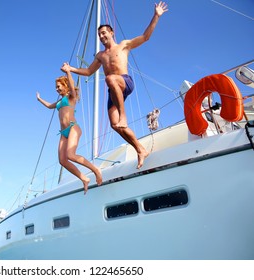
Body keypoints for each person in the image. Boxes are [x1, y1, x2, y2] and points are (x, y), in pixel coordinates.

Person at [63, 1, 168, 169]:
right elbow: (89, 71)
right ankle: (140, 149)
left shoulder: (123, 45)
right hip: (113, 90)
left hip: (124, 82)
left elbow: (145, 37)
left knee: (110, 79)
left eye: (104, 33)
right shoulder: (100, 55)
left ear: (111, 32)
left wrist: (156, 15)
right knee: (114, 125)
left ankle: (123, 116)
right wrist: (71, 69)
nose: (102, 36)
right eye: (100, 35)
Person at [36, 64, 102, 194]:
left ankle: (96, 170)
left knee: (71, 155)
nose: (56, 89)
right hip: (63, 133)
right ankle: (84, 178)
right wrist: (39, 99)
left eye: (58, 86)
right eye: (56, 87)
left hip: (73, 128)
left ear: (65, 86)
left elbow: (72, 86)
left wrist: (68, 72)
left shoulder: (71, 97)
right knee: (62, 160)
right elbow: (49, 106)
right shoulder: (59, 102)